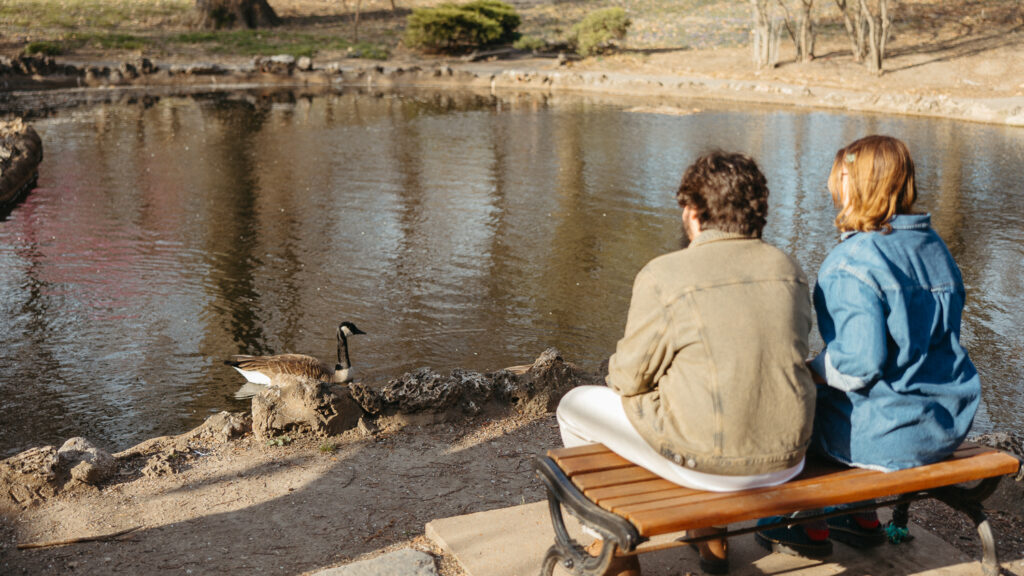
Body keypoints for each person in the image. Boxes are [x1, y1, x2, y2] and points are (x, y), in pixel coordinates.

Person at [556, 151, 817, 576]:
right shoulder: (788, 268)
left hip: (711, 463)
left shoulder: (665, 274)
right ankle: (709, 530)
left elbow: (626, 378)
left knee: (574, 405)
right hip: (787, 458)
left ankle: (614, 546)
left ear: (694, 214)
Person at [756, 135, 981, 556]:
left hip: (889, 436)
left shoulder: (850, 263)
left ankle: (802, 523)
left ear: (851, 183)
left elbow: (860, 364)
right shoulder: (935, 248)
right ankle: (857, 515)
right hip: (944, 424)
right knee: (840, 394)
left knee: (788, 410)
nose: (831, 190)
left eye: (837, 180)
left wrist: (809, 370)